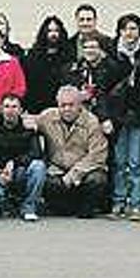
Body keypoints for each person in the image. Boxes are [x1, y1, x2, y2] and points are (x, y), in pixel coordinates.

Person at [36, 85, 108, 218]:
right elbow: (30, 123)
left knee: (98, 179)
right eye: (63, 105)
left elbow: (97, 156)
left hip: (85, 170)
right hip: (57, 170)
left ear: (80, 105)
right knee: (42, 179)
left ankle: (86, 209)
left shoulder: (92, 122)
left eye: (71, 105)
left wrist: (73, 175)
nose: (66, 109)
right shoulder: (47, 117)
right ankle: (62, 208)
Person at [108, 14, 140, 221]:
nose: (129, 33)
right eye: (125, 29)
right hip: (118, 117)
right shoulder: (113, 54)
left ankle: (136, 204)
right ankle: (118, 202)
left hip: (138, 116)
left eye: (133, 28)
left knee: (135, 162)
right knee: (119, 161)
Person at [0, 94, 46, 221]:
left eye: (14, 107)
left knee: (39, 166)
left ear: (21, 110)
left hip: (19, 174)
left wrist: (14, 163)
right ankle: (10, 205)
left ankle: (28, 206)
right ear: (0, 109)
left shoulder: (28, 129)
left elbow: (36, 154)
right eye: (6, 107)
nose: (10, 111)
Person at [23, 15, 71, 114]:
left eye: (56, 31)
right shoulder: (33, 56)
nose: (53, 34)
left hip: (62, 109)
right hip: (37, 109)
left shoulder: (68, 56)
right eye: (49, 31)